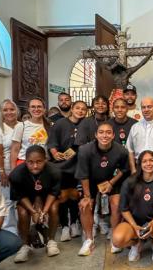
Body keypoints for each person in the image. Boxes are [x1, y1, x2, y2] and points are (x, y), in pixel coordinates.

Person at [76, 121, 130, 255]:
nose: (104, 135)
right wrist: (88, 197)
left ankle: (115, 236)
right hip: (91, 181)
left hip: (112, 181)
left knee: (116, 204)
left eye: (108, 132)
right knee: (85, 205)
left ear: (113, 135)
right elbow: (83, 174)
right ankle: (89, 239)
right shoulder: (85, 150)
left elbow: (124, 170)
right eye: (101, 132)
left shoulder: (121, 150)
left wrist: (111, 183)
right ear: (95, 135)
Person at [112, 150, 153, 263]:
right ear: (139, 164)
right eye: (144, 161)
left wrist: (152, 223)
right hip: (133, 223)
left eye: (151, 160)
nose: (148, 164)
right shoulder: (129, 182)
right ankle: (136, 244)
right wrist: (134, 226)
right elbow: (124, 208)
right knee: (117, 240)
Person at [10, 146, 61, 262]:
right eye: (30, 162)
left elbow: (53, 193)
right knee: (22, 212)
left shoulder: (55, 171)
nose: (35, 166)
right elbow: (21, 196)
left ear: (45, 160)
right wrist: (33, 211)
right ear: (25, 161)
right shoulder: (16, 175)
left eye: (39, 162)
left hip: (47, 195)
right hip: (27, 197)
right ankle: (25, 245)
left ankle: (51, 241)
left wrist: (44, 211)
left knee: (54, 208)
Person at [47, 100, 87, 242]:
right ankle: (64, 226)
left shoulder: (86, 124)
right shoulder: (60, 123)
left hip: (79, 166)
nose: (80, 111)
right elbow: (52, 142)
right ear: (72, 108)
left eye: (83, 109)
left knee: (75, 195)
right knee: (63, 196)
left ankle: (74, 223)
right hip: (61, 166)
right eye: (77, 108)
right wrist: (55, 152)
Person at [0, 99, 20, 234]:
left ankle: (24, 228)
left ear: (17, 111)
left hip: (22, 166)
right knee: (8, 201)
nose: (9, 112)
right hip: (5, 167)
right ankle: (10, 230)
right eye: (5, 110)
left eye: (12, 109)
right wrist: (2, 172)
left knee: (22, 199)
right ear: (1, 112)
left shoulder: (23, 125)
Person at [10, 97, 49, 168]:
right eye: (33, 107)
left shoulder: (49, 126)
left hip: (43, 164)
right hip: (25, 163)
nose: (36, 109)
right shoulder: (21, 126)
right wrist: (13, 170)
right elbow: (14, 149)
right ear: (29, 109)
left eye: (39, 107)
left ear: (44, 109)